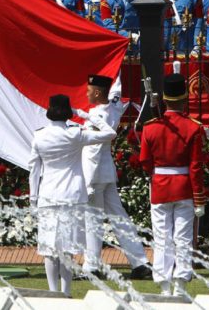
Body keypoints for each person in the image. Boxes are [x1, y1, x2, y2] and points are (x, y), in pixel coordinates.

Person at [29, 94, 116, 296]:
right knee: (66, 248)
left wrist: (33, 197)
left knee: (49, 248)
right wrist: (83, 114)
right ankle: (66, 292)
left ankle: (53, 292)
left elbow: (33, 169)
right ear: (68, 113)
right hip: (72, 195)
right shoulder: (75, 133)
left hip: (48, 195)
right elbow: (109, 133)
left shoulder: (39, 136)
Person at [140, 73, 207, 296]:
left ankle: (164, 284)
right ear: (185, 98)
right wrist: (199, 197)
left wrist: (155, 174)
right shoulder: (193, 127)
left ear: (166, 99)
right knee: (183, 237)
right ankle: (180, 284)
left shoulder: (150, 127)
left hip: (160, 186)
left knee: (162, 237)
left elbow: (144, 161)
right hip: (184, 187)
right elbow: (196, 166)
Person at [81, 75, 150, 280]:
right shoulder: (113, 107)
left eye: (89, 90)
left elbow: (93, 150)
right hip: (107, 173)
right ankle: (139, 262)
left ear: (97, 92)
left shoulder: (98, 115)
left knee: (92, 219)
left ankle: (91, 266)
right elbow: (116, 94)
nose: (86, 93)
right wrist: (116, 72)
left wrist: (88, 181)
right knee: (119, 217)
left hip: (96, 175)